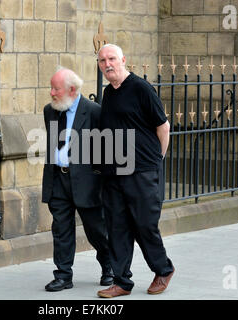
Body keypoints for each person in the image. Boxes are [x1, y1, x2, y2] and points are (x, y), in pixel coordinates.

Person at [96, 44, 175, 298]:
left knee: (144, 225)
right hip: (114, 173)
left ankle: (163, 270)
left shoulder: (141, 88)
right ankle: (121, 282)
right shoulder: (108, 93)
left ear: (123, 60)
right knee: (117, 226)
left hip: (141, 171)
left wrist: (156, 160)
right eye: (102, 60)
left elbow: (163, 127)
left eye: (111, 59)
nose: (107, 64)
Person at [42, 67, 113, 292]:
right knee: (61, 229)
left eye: (56, 88)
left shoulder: (94, 111)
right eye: (51, 87)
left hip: (87, 183)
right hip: (58, 180)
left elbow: (106, 149)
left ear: (72, 90)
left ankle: (109, 266)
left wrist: (99, 177)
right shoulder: (49, 111)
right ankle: (63, 275)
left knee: (97, 230)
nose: (52, 92)